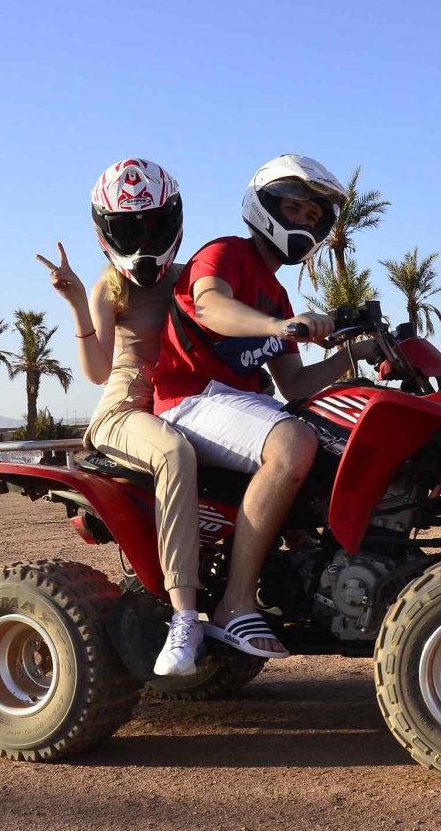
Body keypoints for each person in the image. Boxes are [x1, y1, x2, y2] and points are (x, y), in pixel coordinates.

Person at [153, 154, 377, 659]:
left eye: (312, 217)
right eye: (295, 209)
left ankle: (312, 575)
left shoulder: (275, 291)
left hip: (240, 403)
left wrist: (354, 354)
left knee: (330, 435)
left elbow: (295, 383)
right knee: (294, 440)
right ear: (265, 207)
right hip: (188, 399)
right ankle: (234, 604)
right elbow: (210, 304)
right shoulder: (225, 254)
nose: (303, 222)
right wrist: (280, 325)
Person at [35, 158, 204, 678]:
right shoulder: (112, 288)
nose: (142, 239)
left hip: (186, 404)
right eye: (128, 229)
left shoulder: (190, 276)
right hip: (126, 411)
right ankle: (185, 617)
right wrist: (76, 301)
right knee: (175, 455)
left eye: (151, 225)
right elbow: (96, 370)